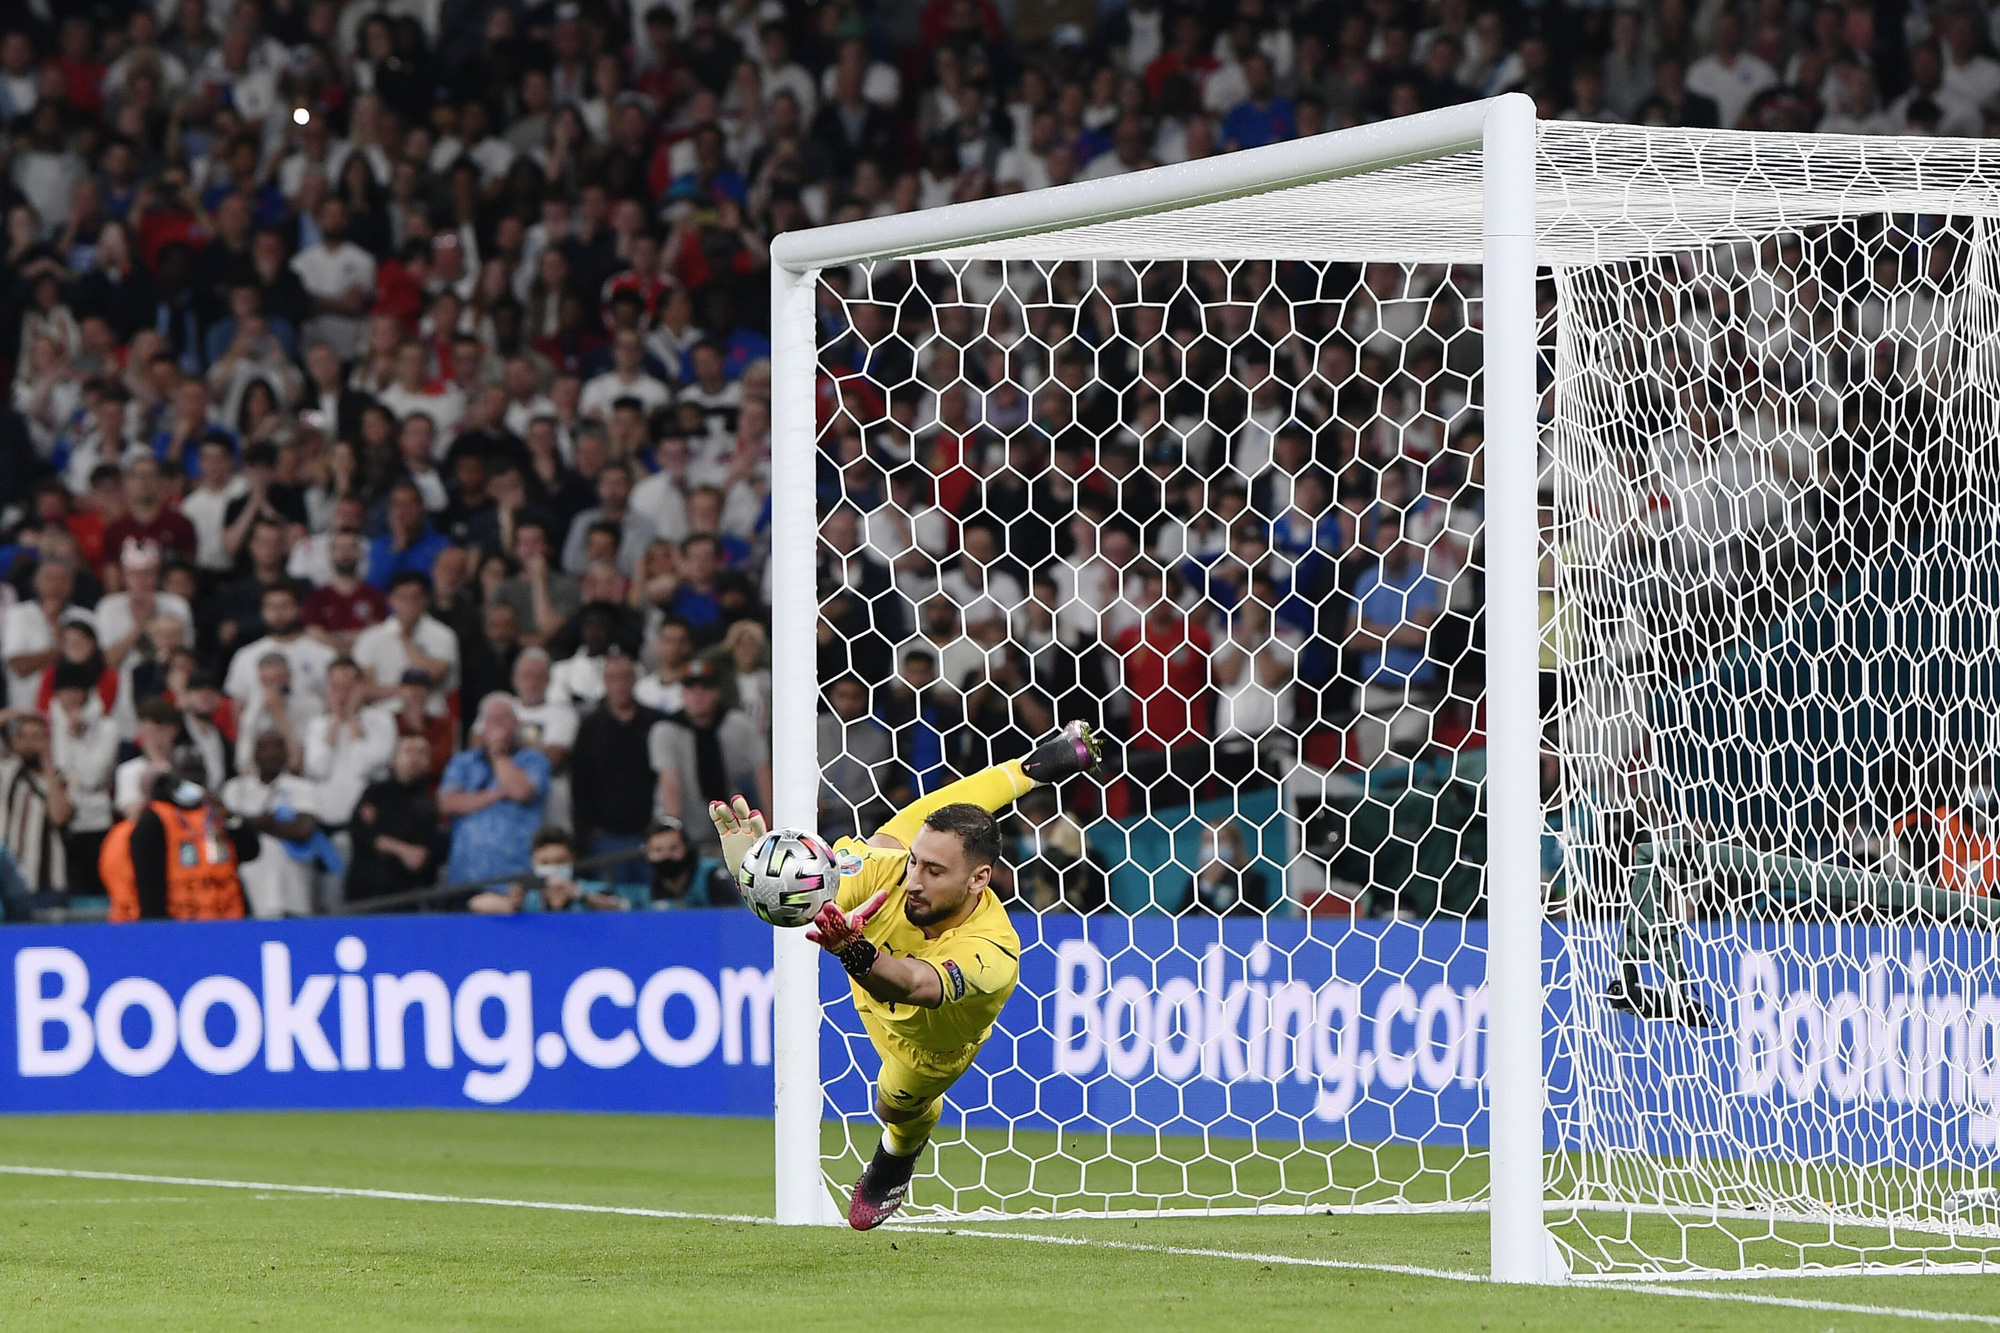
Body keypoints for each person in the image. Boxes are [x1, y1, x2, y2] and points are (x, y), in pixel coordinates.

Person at [711, 720, 1103, 1229]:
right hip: (866, 955)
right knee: (889, 839)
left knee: (893, 1108)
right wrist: (758, 875)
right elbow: (811, 892)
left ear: (979, 880)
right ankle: (1041, 764)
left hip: (926, 1045)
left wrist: (853, 951)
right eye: (916, 863)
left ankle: (898, 1151)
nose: (913, 880)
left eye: (934, 872)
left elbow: (918, 985)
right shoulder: (892, 869)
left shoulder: (994, 950)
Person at [102, 751, 257, 921]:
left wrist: (228, 817)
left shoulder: (215, 815)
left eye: (198, 771)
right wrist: (158, 930)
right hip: (180, 924)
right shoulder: (155, 819)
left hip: (228, 922)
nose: (194, 778)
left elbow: (251, 851)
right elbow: (149, 885)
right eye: (187, 772)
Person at [651, 659, 769, 862]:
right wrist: (675, 837)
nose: (698, 695)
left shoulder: (737, 724)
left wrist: (771, 829)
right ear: (683, 693)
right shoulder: (666, 730)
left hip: (731, 829)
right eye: (691, 689)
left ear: (717, 692)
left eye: (705, 688)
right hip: (684, 834)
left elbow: (763, 773)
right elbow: (670, 784)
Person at [438, 693, 551, 889]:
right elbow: (447, 803)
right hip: (465, 876)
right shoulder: (464, 761)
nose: (497, 726)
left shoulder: (533, 759)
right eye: (491, 719)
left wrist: (498, 753)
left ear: (516, 723)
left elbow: (520, 792)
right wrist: (496, 794)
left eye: (503, 719)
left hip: (515, 877)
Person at [571, 652, 666, 886]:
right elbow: (580, 782)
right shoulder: (590, 727)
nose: (620, 684)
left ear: (634, 680)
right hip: (606, 836)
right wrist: (590, 829)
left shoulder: (656, 722)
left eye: (625, 677)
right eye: (613, 678)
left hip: (650, 833)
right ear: (604, 682)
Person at [220, 730, 324, 917]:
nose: (272, 753)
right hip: (250, 883)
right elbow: (229, 830)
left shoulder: (303, 787)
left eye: (278, 747)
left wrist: (250, 822)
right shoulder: (235, 788)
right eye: (265, 747)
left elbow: (303, 830)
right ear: (255, 754)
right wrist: (270, 821)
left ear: (286, 753)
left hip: (294, 886)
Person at [346, 732, 443, 908]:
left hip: (404, 901)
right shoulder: (375, 792)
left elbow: (421, 857)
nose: (414, 758)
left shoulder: (430, 805)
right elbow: (359, 833)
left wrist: (382, 840)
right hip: (362, 897)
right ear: (394, 759)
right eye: (408, 750)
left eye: (422, 752)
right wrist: (401, 850)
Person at [352, 572, 459, 708]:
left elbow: (432, 676)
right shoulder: (370, 637)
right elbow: (362, 688)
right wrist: (399, 691)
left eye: (415, 597)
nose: (409, 603)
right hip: (384, 716)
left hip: (429, 715)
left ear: (425, 599)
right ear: (390, 599)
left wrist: (405, 637)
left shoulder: (443, 635)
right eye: (402, 597)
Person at [0, 711, 74, 895]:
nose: (28, 744)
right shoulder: (7, 772)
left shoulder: (61, 778)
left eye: (35, 737)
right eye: (22, 737)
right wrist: (22, 712)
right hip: (8, 880)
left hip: (47, 881)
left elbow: (59, 817)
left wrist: (47, 763)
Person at [469, 828, 627, 913]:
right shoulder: (528, 896)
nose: (553, 869)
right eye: (545, 863)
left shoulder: (587, 890)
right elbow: (475, 903)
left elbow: (621, 906)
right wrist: (512, 904)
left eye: (560, 861)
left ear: (572, 859)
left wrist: (579, 895)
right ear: (533, 862)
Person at [643, 815, 735, 908]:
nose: (666, 856)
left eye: (673, 848)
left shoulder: (712, 876)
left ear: (687, 848)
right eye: (658, 850)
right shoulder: (645, 885)